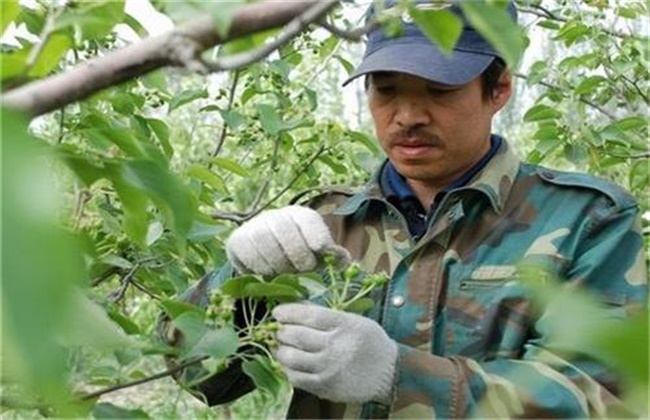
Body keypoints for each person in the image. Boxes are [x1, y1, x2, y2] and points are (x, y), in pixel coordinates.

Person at [160, 0, 647, 417]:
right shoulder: (325, 222)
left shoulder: (585, 220)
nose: (409, 116)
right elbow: (198, 376)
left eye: (440, 90)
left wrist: (402, 375)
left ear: (499, 89)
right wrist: (238, 283)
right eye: (387, 89)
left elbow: (602, 398)